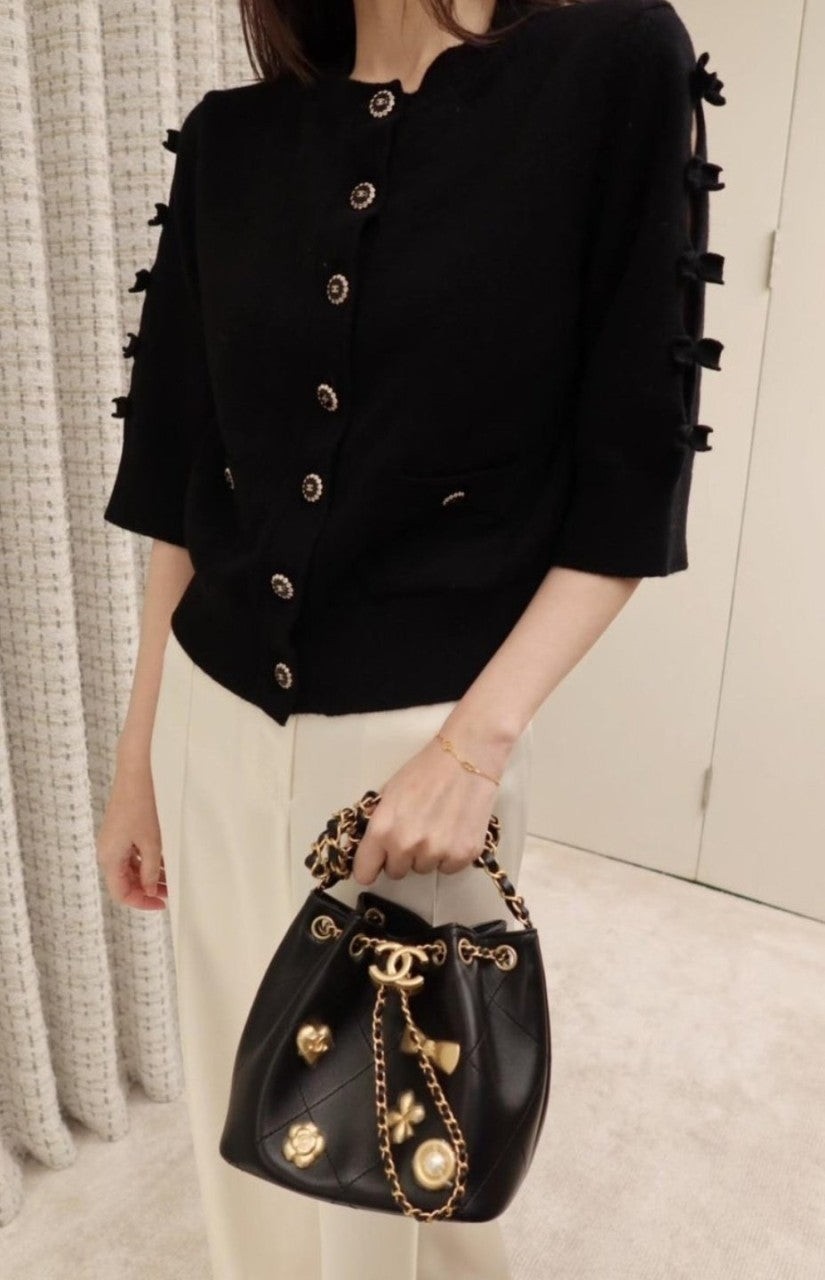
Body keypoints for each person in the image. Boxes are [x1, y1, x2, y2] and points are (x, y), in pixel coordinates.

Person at [95, 0, 725, 1276]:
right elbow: (183, 485)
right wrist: (140, 754)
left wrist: (472, 751)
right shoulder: (232, 139)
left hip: (415, 760)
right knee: (249, 1155)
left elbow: (631, 479)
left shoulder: (609, 64)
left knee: (404, 1196)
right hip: (212, 729)